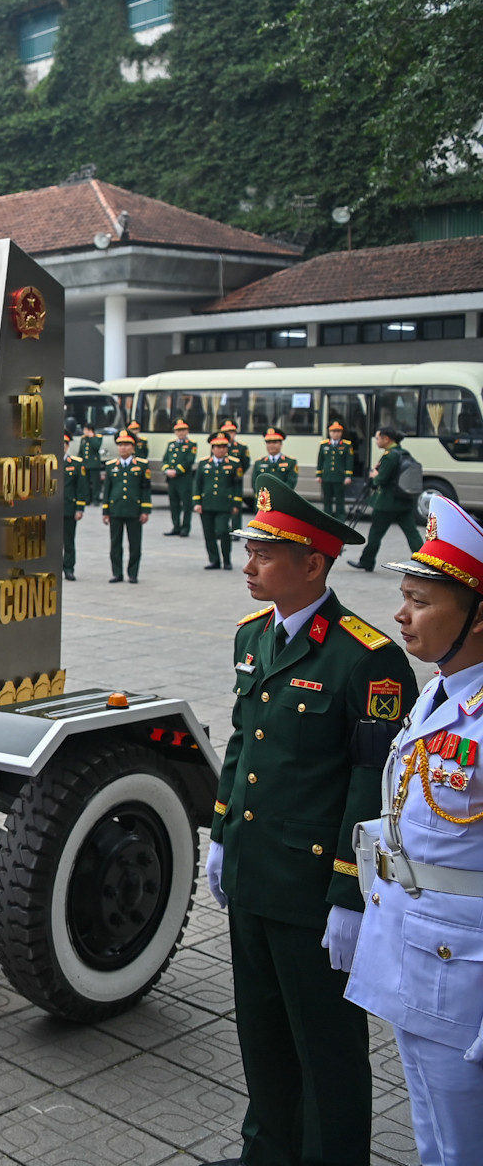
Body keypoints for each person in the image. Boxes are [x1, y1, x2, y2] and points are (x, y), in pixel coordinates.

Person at [206, 477, 411, 1166]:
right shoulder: (253, 635)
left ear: (313, 565)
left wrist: (350, 898)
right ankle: (268, 1154)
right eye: (249, 550)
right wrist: (220, 833)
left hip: (314, 890)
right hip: (254, 872)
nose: (249, 565)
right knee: (261, 1035)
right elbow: (244, 741)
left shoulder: (367, 658)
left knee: (326, 1048)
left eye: (264, 553)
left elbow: (373, 784)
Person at [348, 496, 483, 1166]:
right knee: (433, 1131)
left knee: (463, 1146)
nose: (401, 614)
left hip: (465, 978)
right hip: (420, 954)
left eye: (421, 600)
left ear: (478, 618)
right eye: (404, 595)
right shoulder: (440, 691)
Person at [349, 427, 423, 572]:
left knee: (375, 534)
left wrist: (374, 475)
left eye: (378, 438)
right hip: (404, 501)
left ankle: (367, 562)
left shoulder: (389, 456)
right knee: (412, 533)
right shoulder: (403, 453)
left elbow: (381, 480)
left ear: (386, 439)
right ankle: (426, 561)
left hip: (386, 503)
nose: (376, 441)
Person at [102, 431, 151, 584]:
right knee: (115, 544)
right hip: (116, 509)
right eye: (120, 445)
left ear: (133, 447)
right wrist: (105, 511)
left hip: (134, 510)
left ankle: (133, 573)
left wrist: (145, 510)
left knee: (135, 544)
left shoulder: (142, 465)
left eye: (126, 445)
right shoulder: (111, 466)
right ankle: (117, 573)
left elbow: (145, 489)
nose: (123, 448)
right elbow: (107, 491)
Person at [194, 433, 246, 571]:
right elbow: (198, 484)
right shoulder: (204, 463)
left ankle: (227, 559)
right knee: (208, 533)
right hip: (207, 504)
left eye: (224, 447)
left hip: (224, 504)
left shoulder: (234, 464)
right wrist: (197, 502)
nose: (221, 449)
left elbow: (237, 486)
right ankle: (214, 560)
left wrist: (236, 504)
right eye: (218, 447)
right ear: (212, 448)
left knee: (223, 531)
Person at [162, 419, 197, 536]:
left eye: (183, 430)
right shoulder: (171, 444)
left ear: (187, 431)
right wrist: (167, 470)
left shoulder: (191, 444)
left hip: (184, 479)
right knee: (174, 503)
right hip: (172, 479)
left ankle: (185, 527)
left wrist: (177, 471)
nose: (181, 433)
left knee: (186, 504)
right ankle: (176, 526)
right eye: (178, 430)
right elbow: (166, 459)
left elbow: (189, 461)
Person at [316, 420, 355, 519]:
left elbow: (349, 461)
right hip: (327, 476)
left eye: (338, 431)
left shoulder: (346, 445)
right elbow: (320, 460)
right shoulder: (324, 444)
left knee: (339, 499)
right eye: (333, 431)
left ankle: (340, 517)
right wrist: (319, 475)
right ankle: (327, 517)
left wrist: (348, 476)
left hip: (339, 477)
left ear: (341, 433)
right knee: (327, 499)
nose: (335, 434)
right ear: (329, 433)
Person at [63, 445, 88, 581]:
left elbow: (81, 488)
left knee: (69, 541)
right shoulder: (46, 461)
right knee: (49, 542)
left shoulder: (76, 464)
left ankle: (68, 568)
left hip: (68, 508)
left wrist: (79, 508)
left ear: (67, 446)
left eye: (64, 443)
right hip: (50, 509)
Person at [251, 427, 298, 494]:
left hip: (281, 499)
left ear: (281, 444)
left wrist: (275, 494)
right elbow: (255, 483)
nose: (271, 445)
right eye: (268, 442)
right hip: (264, 501)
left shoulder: (290, 462)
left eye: (275, 442)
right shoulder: (259, 462)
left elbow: (291, 483)